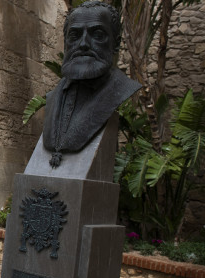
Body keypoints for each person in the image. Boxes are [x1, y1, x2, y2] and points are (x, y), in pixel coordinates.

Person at [42, 0, 141, 168]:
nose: (83, 44)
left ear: (115, 44)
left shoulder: (122, 89)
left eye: (97, 35)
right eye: (75, 35)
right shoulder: (52, 98)